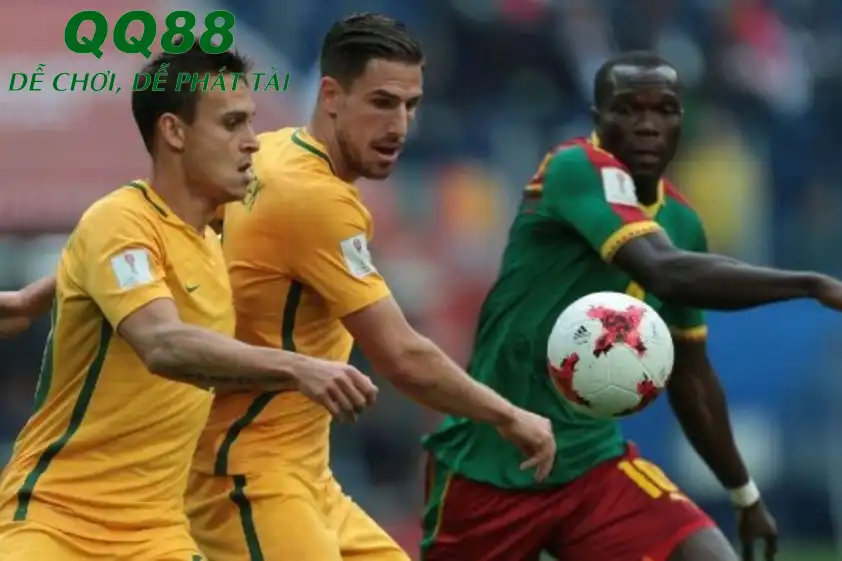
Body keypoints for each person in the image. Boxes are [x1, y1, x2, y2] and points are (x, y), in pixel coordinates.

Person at [0, 13, 556, 561]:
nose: (400, 126)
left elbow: (139, 246)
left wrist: (42, 293)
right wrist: (507, 416)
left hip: (258, 490)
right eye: (383, 103)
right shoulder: (302, 197)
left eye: (411, 106)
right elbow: (402, 356)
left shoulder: (253, 174)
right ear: (331, 95)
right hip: (216, 479)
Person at [421, 51, 842, 561]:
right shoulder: (573, 168)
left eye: (664, 109)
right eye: (627, 109)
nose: (647, 125)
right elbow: (660, 269)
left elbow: (690, 374)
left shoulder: (682, 223)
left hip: (592, 468)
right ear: (597, 119)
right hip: (488, 466)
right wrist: (812, 284)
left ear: (682, 120)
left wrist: (744, 493)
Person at [0, 44, 377, 561]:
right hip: (55, 523)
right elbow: (162, 344)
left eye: (251, 122)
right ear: (174, 132)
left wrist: (34, 299)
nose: (252, 142)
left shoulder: (210, 235)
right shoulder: (120, 220)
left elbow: (113, 268)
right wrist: (299, 368)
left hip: (158, 536)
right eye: (232, 123)